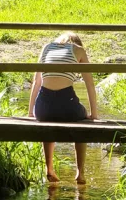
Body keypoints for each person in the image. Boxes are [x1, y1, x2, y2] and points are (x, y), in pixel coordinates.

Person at [27, 32, 98, 184]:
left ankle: (49, 168)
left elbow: (36, 82)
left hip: (42, 109)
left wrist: (31, 112)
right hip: (68, 108)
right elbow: (89, 84)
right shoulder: (78, 50)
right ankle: (80, 172)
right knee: (81, 122)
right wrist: (93, 114)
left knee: (48, 121)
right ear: (76, 42)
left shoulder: (46, 47)